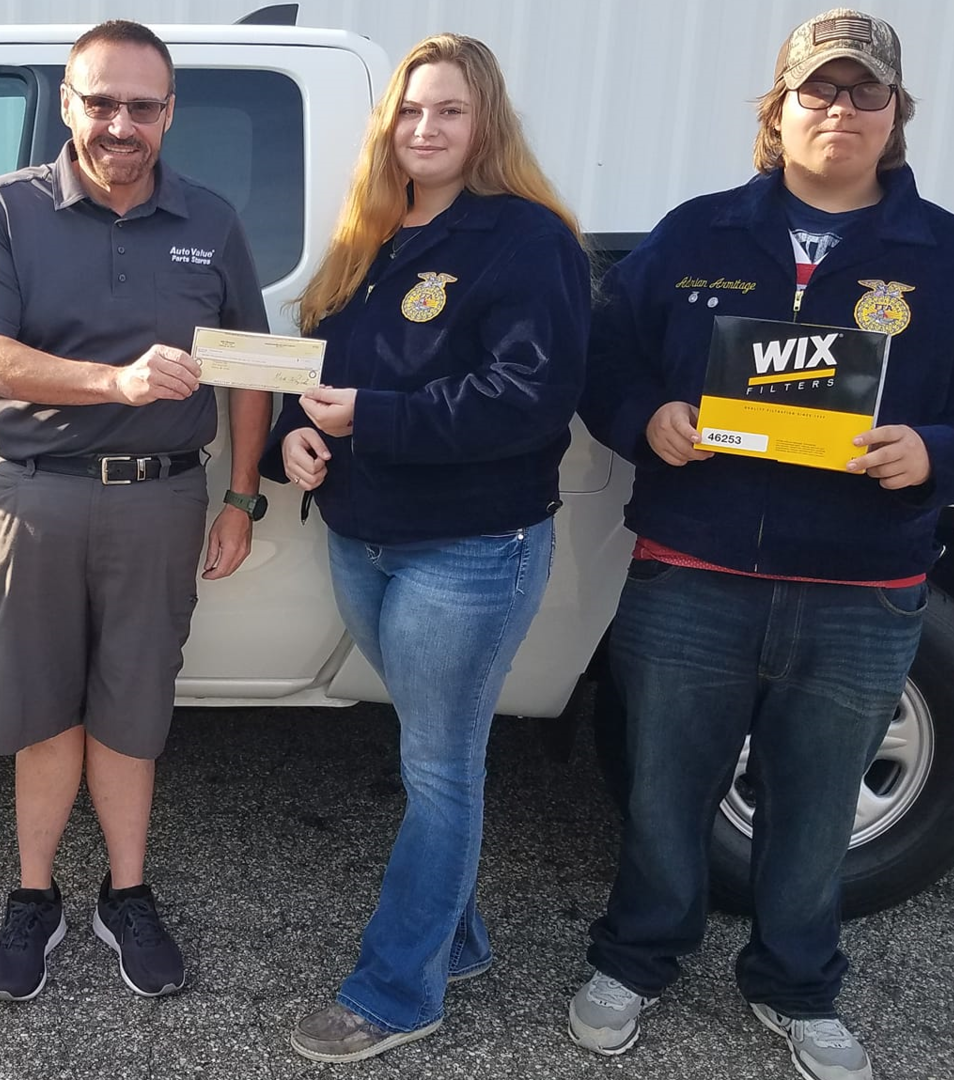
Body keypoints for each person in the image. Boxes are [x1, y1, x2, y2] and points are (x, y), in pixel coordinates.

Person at [567, 11, 954, 1080]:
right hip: (694, 576)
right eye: (818, 91)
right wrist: (645, 417)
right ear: (777, 111)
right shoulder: (696, 236)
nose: (840, 110)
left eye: (865, 93)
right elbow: (606, 366)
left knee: (815, 804)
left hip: (863, 590)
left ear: (896, 117)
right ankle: (637, 960)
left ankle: (796, 985)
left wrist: (935, 453)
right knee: (665, 789)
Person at [260, 33, 590, 1064]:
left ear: (484, 121)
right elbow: (307, 370)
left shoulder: (526, 241)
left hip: (471, 550)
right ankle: (462, 935)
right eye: (410, 111)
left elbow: (533, 400)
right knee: (432, 753)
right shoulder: (369, 234)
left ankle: (396, 991)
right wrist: (292, 438)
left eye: (448, 110)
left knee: (440, 766)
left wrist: (374, 418)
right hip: (364, 542)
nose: (426, 128)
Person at [0, 19, 271, 1001]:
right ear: (68, 103)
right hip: (36, 497)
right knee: (44, 709)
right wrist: (114, 384)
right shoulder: (7, 207)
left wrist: (243, 496)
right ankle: (32, 896)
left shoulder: (210, 221)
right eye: (101, 101)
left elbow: (251, 370)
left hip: (162, 499)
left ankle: (125, 894)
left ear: (169, 113)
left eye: (141, 105)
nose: (120, 122)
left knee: (133, 711)